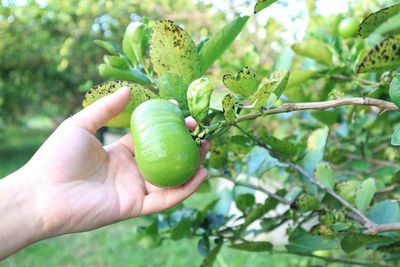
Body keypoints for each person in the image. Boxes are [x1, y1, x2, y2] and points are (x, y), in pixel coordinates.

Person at [0, 86, 211, 260]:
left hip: (165, 154)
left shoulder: (153, 111)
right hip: (168, 161)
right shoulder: (159, 114)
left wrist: (34, 196)